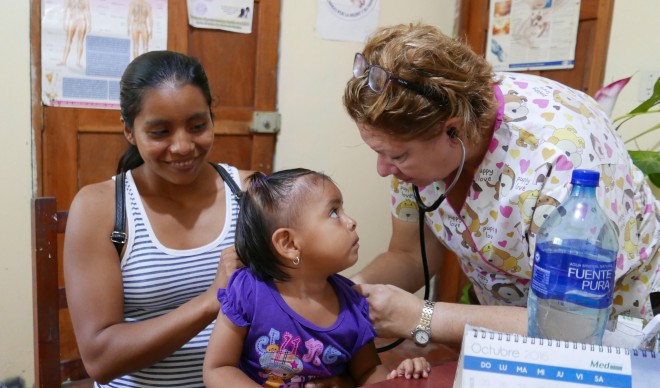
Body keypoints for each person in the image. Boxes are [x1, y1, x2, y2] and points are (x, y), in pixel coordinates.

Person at [343, 23, 659, 344]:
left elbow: (566, 325)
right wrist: (343, 293)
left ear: (454, 131)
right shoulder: (413, 149)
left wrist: (421, 317)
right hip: (507, 337)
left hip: (613, 334)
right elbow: (409, 254)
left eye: (395, 156)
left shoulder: (563, 157)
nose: (383, 169)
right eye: (379, 152)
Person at [63, 50, 248, 386]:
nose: (182, 146)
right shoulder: (100, 209)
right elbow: (100, 359)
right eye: (160, 132)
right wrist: (211, 300)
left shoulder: (249, 193)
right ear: (129, 131)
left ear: (212, 117)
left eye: (197, 125)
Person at [203, 169, 431, 387]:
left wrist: (398, 378)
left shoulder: (352, 304)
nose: (351, 221)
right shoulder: (247, 291)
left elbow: (367, 373)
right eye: (334, 212)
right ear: (289, 244)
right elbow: (219, 369)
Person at [58, 0, 91, 67]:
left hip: (81, 20)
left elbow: (88, 11)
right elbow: (66, 9)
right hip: (72, 20)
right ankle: (64, 61)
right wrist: (65, 21)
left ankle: (78, 62)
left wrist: (89, 24)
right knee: (68, 41)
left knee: (80, 42)